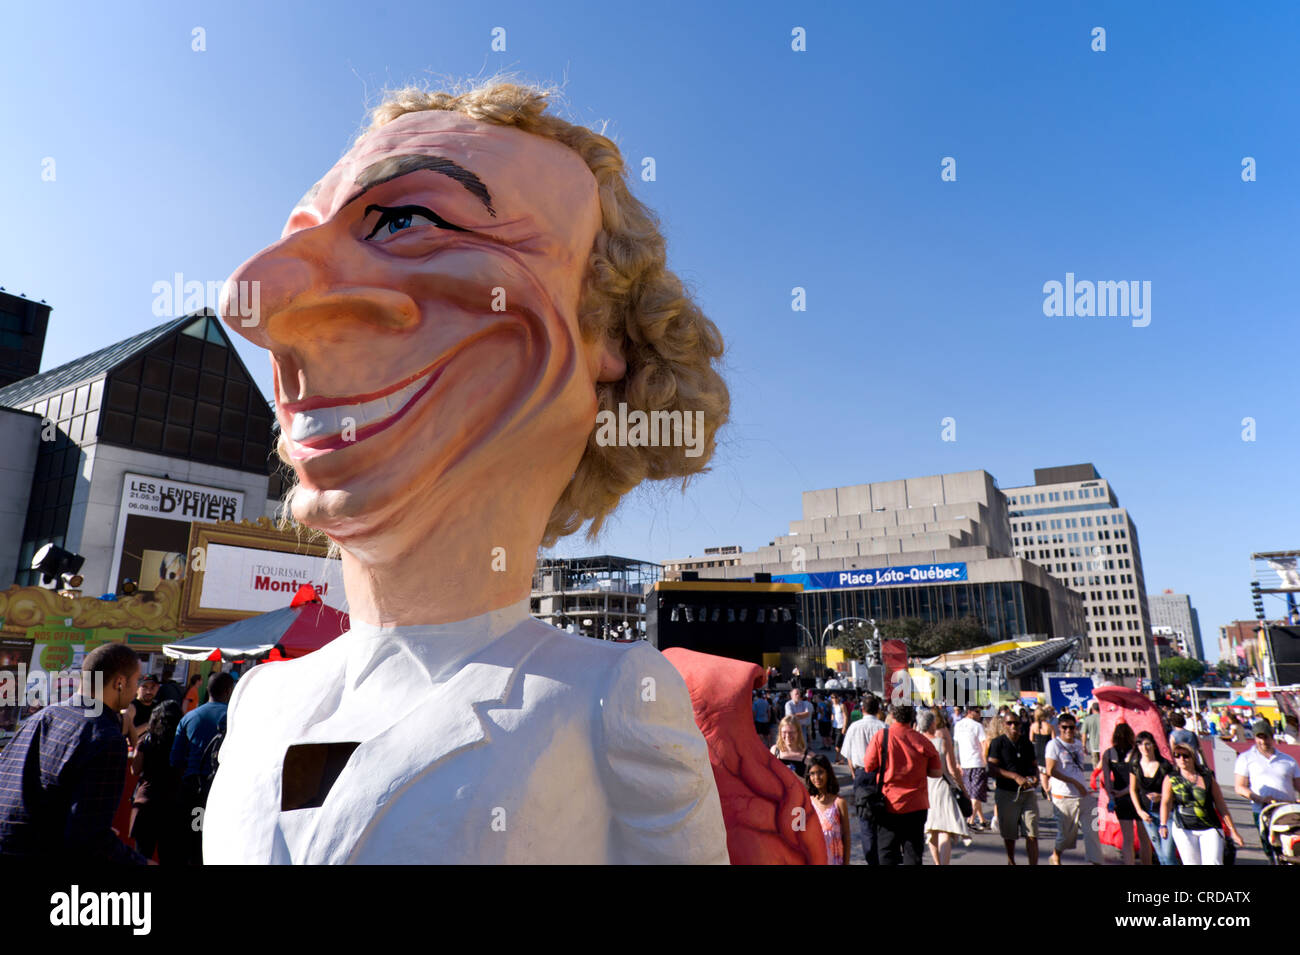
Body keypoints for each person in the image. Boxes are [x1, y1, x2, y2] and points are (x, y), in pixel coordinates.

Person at [0, 643, 149, 863]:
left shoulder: (43, 717)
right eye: (137, 681)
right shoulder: (104, 736)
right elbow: (89, 840)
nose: (137, 689)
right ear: (120, 682)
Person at [861, 704, 942, 865]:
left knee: (887, 851)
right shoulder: (922, 740)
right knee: (913, 853)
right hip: (916, 805)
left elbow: (868, 765)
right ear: (912, 718)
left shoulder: (882, 736)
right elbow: (936, 772)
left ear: (893, 715)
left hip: (888, 803)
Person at [172, 671, 234, 864]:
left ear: (207, 689)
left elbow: (175, 759)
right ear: (229, 691)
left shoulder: (189, 717)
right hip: (224, 792)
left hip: (191, 790)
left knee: (191, 843)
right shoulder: (235, 717)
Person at [1162, 742, 1243, 865]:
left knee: (1213, 862)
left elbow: (1221, 805)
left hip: (1209, 826)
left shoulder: (1207, 777)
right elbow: (1166, 802)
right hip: (1184, 828)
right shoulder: (1171, 778)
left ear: (1193, 757)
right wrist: (1163, 824)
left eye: (1185, 756)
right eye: (1177, 756)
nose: (1181, 759)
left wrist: (1233, 831)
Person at [1233, 717, 1300, 864]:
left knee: (1293, 845)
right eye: (1259, 738)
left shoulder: (1288, 760)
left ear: (1272, 737)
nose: (1263, 742)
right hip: (1263, 810)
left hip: (1288, 810)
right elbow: (1239, 787)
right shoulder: (1246, 758)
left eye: (1266, 737)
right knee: (1270, 848)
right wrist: (1259, 798)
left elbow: (1298, 784)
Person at [1043, 712, 1102, 865]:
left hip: (1084, 796)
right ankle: (1056, 854)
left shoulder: (1077, 744)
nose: (1068, 730)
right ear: (1059, 727)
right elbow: (1050, 770)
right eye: (1065, 727)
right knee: (1066, 837)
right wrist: (1074, 783)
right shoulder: (1053, 745)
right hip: (1064, 797)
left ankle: (1095, 861)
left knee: (1092, 832)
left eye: (1071, 727)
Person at [129, 699, 182, 863]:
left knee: (142, 856)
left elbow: (134, 770)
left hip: (147, 803)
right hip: (173, 804)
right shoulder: (182, 741)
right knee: (170, 855)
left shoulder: (146, 740)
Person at [987, 710, 1040, 864]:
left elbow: (1033, 765)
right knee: (1010, 835)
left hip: (1027, 793)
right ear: (1004, 725)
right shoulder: (998, 743)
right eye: (1009, 723)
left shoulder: (1026, 743)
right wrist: (1015, 777)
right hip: (1007, 793)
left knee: (1032, 833)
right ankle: (1011, 860)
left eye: (1016, 723)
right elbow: (992, 769)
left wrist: (1035, 777)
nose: (1013, 726)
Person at [918, 708, 967, 865]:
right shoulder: (941, 743)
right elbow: (952, 769)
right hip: (941, 787)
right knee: (945, 829)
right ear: (932, 724)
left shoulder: (917, 743)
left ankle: (937, 863)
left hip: (925, 789)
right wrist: (962, 789)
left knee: (931, 830)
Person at [842, 695, 887, 864]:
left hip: (861, 774)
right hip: (882, 775)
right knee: (883, 818)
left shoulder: (854, 727)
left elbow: (848, 754)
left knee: (865, 819)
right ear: (878, 710)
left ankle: (871, 859)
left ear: (862, 710)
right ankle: (884, 856)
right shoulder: (884, 727)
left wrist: (854, 774)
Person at [1128, 731, 1176, 866]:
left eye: (1147, 744)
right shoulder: (1135, 765)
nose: (1144, 748)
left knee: (1168, 854)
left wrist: (1161, 796)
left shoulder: (1164, 765)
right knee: (1160, 854)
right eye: (1140, 744)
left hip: (1166, 814)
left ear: (1154, 745)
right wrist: (1139, 811)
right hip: (1147, 815)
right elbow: (1133, 789)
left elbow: (1174, 790)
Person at [1101, 722, 1140, 865]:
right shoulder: (1136, 752)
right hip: (1136, 795)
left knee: (1127, 838)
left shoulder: (1108, 753)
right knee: (1144, 837)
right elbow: (1138, 777)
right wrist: (1126, 791)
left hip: (1119, 796)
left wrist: (1112, 796)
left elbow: (1106, 779)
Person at [806, 754, 850, 865]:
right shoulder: (808, 803)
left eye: (820, 772)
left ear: (828, 773)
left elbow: (846, 835)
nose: (816, 777)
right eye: (812, 773)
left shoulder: (839, 803)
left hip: (835, 859)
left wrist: (846, 862)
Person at [952, 706, 990, 830]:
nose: (980, 714)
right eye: (978, 712)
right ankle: (970, 820)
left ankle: (983, 820)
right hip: (977, 762)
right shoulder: (977, 726)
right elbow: (985, 744)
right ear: (969, 712)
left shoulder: (958, 725)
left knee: (972, 794)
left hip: (964, 764)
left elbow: (956, 745)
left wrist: (957, 762)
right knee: (975, 794)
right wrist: (985, 760)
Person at [123, 673, 160, 750]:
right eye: (144, 687)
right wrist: (149, 724)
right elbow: (126, 737)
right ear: (137, 688)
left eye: (152, 688)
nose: (149, 691)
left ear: (157, 688)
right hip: (133, 751)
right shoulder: (130, 707)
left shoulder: (159, 707)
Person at [1029, 706, 1055, 794]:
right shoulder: (1049, 726)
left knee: (1042, 773)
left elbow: (1031, 739)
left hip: (1038, 750)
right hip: (1048, 750)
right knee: (1050, 771)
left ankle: (1046, 791)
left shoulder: (1033, 726)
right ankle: (1050, 788)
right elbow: (1054, 740)